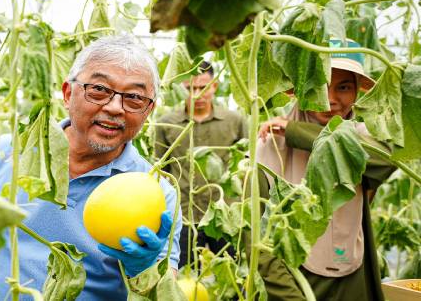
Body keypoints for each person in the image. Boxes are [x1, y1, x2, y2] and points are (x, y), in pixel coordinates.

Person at [0, 36, 182, 300]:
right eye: (100, 90)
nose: (115, 107)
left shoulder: (159, 193)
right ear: (68, 94)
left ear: (148, 111)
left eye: (135, 98)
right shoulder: (3, 153)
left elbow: (165, 292)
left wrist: (146, 270)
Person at [255, 39, 395, 301]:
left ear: (356, 92)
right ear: (298, 89)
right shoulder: (271, 142)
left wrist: (299, 132)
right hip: (294, 281)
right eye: (318, 85)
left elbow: (386, 161)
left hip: (352, 272)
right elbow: (260, 242)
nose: (330, 99)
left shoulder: (364, 136)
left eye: (343, 87)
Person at [155, 61, 248, 268]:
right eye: (191, 88)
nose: (197, 94)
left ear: (214, 85)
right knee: (182, 274)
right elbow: (160, 170)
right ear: (183, 88)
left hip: (224, 213)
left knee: (232, 272)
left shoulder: (234, 121)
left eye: (203, 87)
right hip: (184, 215)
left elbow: (246, 164)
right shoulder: (166, 123)